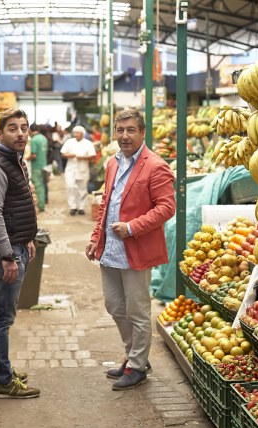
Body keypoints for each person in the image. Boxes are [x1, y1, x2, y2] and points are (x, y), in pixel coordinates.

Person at [85, 109, 175, 390]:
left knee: (136, 310)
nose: (124, 136)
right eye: (120, 130)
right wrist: (95, 236)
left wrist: (133, 227)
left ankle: (137, 366)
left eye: (130, 130)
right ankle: (133, 353)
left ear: (142, 133)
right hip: (110, 248)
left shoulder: (156, 165)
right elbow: (106, 204)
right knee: (114, 305)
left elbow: (167, 207)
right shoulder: (112, 163)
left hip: (136, 248)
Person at [0, 108, 40, 399]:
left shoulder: (14, 160)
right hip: (4, 251)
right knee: (2, 318)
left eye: (24, 128)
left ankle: (3, 370)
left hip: (15, 244)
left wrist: (26, 238)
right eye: (13, 128)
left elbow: (15, 206)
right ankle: (1, 381)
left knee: (5, 315)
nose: (20, 133)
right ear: (0, 133)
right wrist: (8, 256)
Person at [61, 125, 96, 216]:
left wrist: (83, 157)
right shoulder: (69, 142)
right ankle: (73, 206)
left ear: (82, 134)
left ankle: (81, 207)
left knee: (82, 189)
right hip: (71, 168)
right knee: (70, 187)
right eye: (75, 133)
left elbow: (92, 156)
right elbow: (63, 153)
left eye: (78, 133)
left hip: (82, 168)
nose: (76, 135)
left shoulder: (88, 143)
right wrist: (70, 155)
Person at [28, 123, 48, 212]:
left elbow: (34, 155)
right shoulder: (44, 138)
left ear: (30, 130)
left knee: (38, 185)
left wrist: (26, 158)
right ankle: (42, 203)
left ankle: (40, 206)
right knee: (42, 185)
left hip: (37, 166)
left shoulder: (34, 140)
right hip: (44, 164)